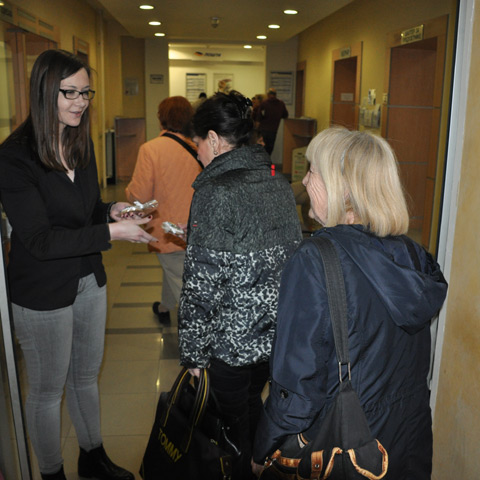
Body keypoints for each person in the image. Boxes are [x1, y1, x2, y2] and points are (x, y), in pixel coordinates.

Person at [252, 127, 448, 479]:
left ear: (341, 188)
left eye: (312, 171)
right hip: (405, 439)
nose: (305, 180)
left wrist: (266, 446)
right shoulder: (413, 255)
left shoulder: (315, 260)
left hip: (344, 448)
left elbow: (297, 384)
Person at [0, 49, 157, 480]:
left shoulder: (78, 143)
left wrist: (112, 211)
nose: (81, 102)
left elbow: (84, 211)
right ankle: (51, 472)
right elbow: (40, 240)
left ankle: (93, 456)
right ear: (44, 91)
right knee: (48, 391)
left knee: (86, 376)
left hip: (88, 278)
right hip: (42, 290)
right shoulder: (14, 157)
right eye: (69, 92)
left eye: (86, 92)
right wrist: (112, 233)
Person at [178, 90, 302, 480]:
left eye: (198, 143)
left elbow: (202, 285)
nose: (198, 152)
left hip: (230, 346)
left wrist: (193, 355)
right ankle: (264, 464)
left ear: (214, 140)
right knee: (251, 407)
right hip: (273, 340)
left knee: (230, 434)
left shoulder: (215, 191)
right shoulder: (276, 180)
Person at [125, 96, 202, 323]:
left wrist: (128, 194)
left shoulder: (151, 149)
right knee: (178, 269)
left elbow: (140, 197)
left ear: (161, 120)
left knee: (180, 278)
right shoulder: (199, 148)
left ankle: (200, 334)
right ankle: (164, 307)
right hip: (198, 226)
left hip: (170, 229)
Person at [254, 88, 288, 155]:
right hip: (273, 130)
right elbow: (285, 115)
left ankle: (262, 161)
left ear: (268, 95)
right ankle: (267, 160)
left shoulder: (264, 103)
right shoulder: (281, 104)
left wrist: (256, 130)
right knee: (269, 149)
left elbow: (259, 118)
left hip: (263, 130)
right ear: (275, 95)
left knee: (261, 149)